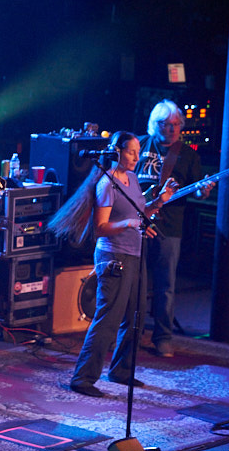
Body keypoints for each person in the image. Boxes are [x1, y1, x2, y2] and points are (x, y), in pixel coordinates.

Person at [48, 131, 175, 397]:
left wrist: (159, 202)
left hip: (135, 254)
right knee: (108, 318)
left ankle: (121, 370)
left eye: (138, 152)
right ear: (116, 151)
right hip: (114, 257)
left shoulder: (131, 179)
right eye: (131, 152)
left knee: (135, 315)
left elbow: (140, 214)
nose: (136, 157)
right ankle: (83, 378)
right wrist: (129, 224)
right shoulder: (106, 184)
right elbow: (101, 227)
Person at [135, 100, 215, 357]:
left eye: (176, 124)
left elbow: (198, 191)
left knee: (165, 286)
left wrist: (203, 191)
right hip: (136, 224)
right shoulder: (138, 146)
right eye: (166, 124)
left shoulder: (188, 155)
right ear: (154, 124)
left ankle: (162, 338)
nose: (172, 129)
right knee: (133, 284)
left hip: (169, 228)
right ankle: (131, 335)